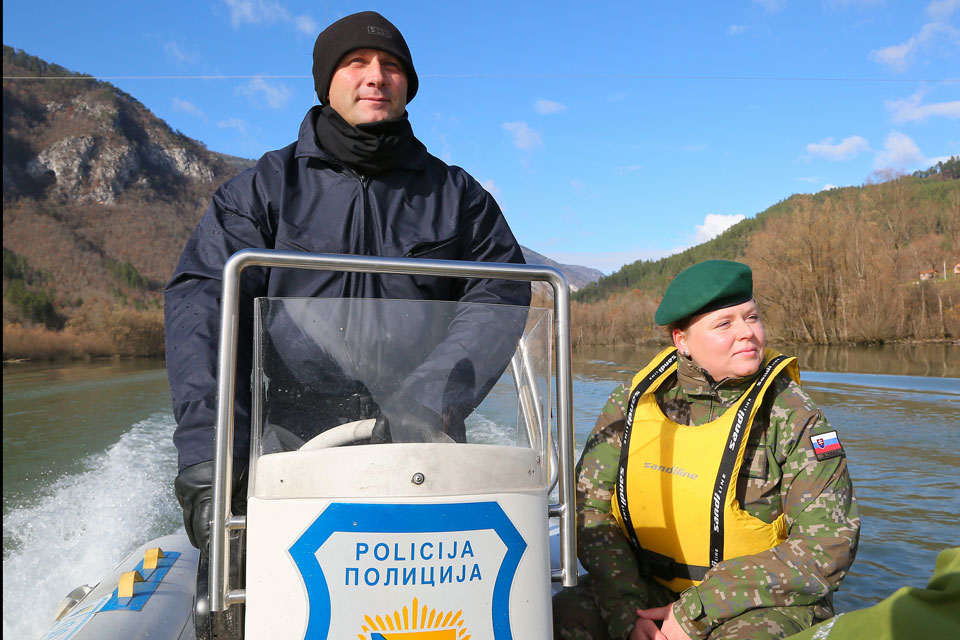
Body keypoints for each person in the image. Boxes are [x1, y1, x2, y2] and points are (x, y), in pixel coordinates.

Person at [164, 11, 530, 557]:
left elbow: (499, 290)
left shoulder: (458, 196)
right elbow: (205, 311)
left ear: (408, 85)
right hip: (289, 436)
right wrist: (211, 457)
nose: (375, 76)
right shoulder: (262, 191)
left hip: (422, 432)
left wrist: (427, 402)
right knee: (242, 594)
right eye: (355, 62)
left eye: (390, 66)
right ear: (326, 82)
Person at [553, 260, 859, 640]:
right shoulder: (633, 403)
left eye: (752, 317)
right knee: (565, 615)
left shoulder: (794, 416)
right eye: (724, 324)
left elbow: (829, 544)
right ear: (682, 340)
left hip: (759, 602)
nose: (747, 333)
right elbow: (589, 511)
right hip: (646, 588)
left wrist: (695, 612)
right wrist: (627, 611)